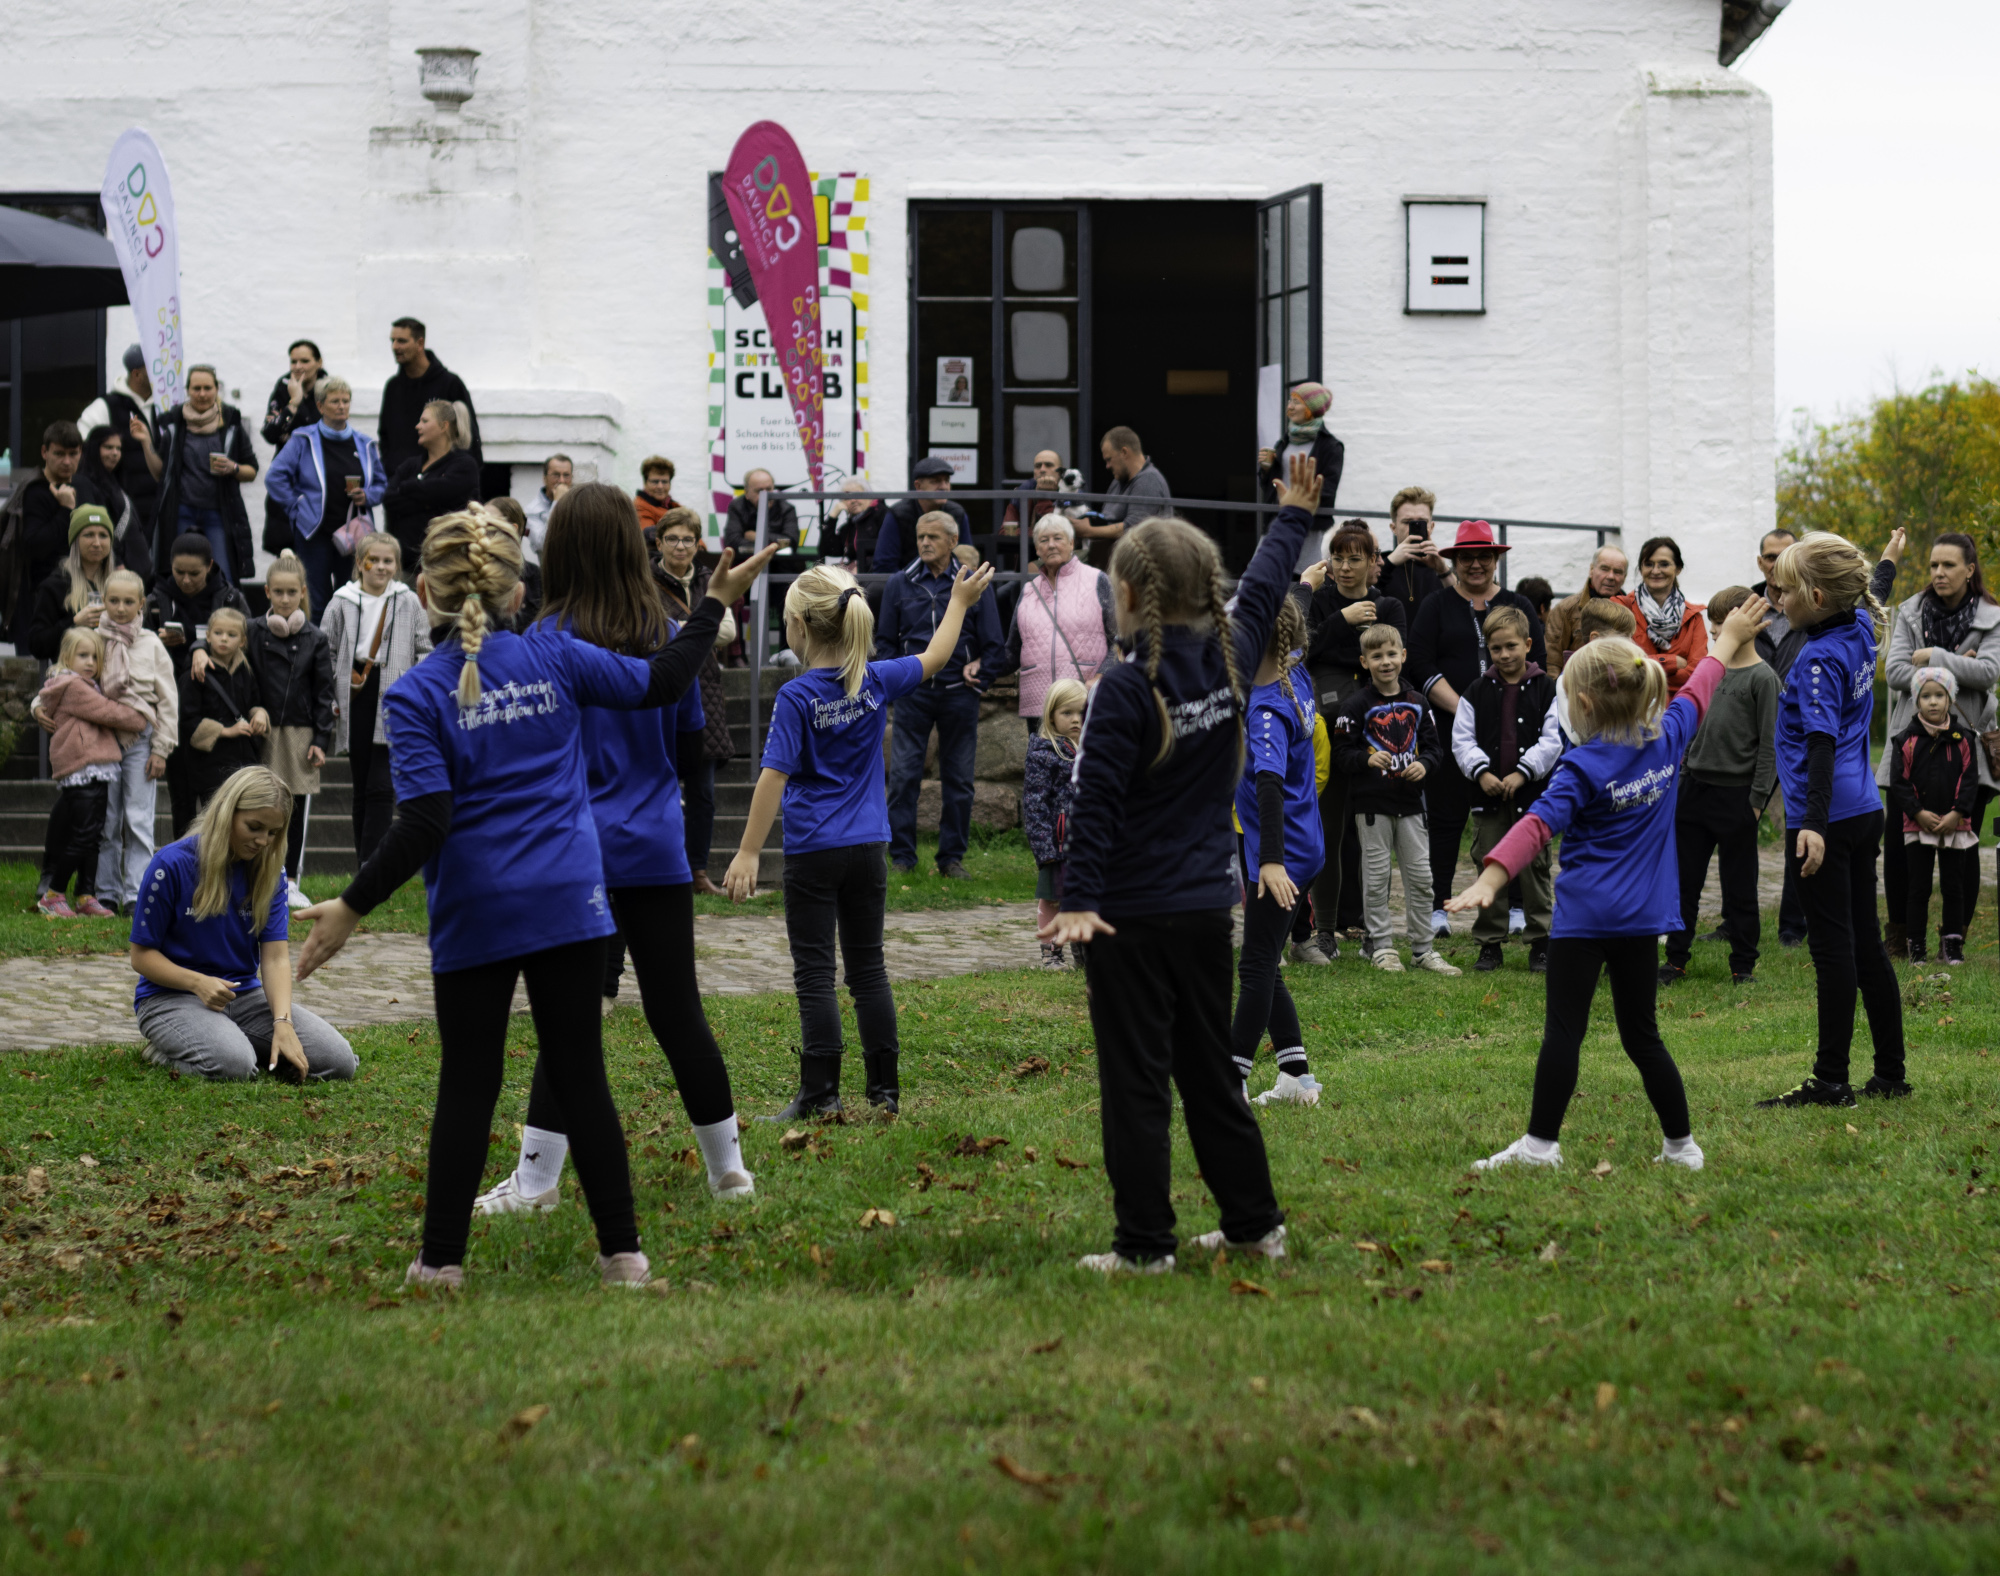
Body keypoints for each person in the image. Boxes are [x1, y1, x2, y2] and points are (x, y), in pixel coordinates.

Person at [295, 508, 775, 1288]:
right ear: (517, 589)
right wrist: (711, 604)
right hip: (568, 904)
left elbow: (424, 819)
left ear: (425, 592)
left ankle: (441, 1264)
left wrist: (351, 905)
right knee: (582, 1071)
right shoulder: (557, 656)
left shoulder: (416, 695)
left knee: (469, 1084)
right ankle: (623, 1255)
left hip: (477, 911)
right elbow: (663, 679)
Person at [1040, 456, 1322, 1275]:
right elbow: (1267, 582)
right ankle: (1253, 1227)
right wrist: (1296, 511)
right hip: (1205, 909)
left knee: (1136, 1086)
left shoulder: (1124, 689)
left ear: (1125, 596)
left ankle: (1145, 1248)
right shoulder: (1233, 653)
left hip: (1128, 917)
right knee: (1207, 1076)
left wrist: (1079, 898)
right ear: (1210, 590)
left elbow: (1091, 804)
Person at [474, 482, 753, 1213]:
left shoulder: (543, 642)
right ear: (633, 547)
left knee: (570, 1020)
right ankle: (729, 1169)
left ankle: (536, 1181)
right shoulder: (669, 630)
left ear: (558, 548)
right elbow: (694, 749)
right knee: (677, 1008)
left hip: (575, 853)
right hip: (656, 844)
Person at [1446, 602, 1772, 1173]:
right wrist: (1731, 638)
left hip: (1586, 922)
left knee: (1565, 1033)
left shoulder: (1581, 767)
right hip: (1643, 922)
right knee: (1643, 1035)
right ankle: (1682, 1147)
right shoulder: (1668, 739)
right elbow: (1700, 686)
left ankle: (1541, 1147)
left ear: (1585, 705)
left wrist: (1492, 876)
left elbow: (1536, 824)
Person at [724, 558, 993, 1117]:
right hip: (870, 848)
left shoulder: (797, 698)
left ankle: (821, 1096)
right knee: (869, 969)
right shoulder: (874, 679)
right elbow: (938, 656)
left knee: (816, 973)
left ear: (798, 626)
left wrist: (749, 851)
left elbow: (772, 777)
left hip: (813, 854)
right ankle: (885, 1092)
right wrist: (960, 604)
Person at [1755, 533, 1908, 1108]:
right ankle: (1890, 1074)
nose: (1776, 594)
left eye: (1785, 588)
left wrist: (1811, 825)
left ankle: (1830, 1080)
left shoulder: (1817, 656)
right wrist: (1888, 559)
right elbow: (1874, 592)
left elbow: (1820, 744)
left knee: (1834, 949)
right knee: (1865, 942)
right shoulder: (1859, 625)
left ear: (1817, 596)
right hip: (1864, 808)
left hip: (1827, 816)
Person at [128, 766, 355, 1082]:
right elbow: (141, 956)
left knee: (339, 1062)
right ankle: (166, 1051)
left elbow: (274, 958)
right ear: (227, 813)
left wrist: (283, 1023)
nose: (263, 840)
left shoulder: (270, 874)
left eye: (273, 832)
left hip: (244, 998)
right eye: (254, 827)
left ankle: (236, 1043)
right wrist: (197, 983)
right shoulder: (170, 865)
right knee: (234, 1067)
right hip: (170, 998)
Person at [1407, 519, 1547, 937]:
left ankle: (1519, 906)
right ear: (1455, 560)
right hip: (1453, 729)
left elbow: (1537, 660)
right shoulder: (1436, 605)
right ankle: (1437, 908)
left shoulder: (1518, 604)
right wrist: (1467, 705)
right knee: (1447, 820)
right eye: (1466, 558)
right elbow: (1420, 663)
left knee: (1515, 817)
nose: (1475, 565)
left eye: (1483, 557)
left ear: (1495, 560)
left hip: (1516, 730)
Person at [1878, 530, 1996, 959]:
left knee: (1961, 845)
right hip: (1911, 744)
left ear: (1970, 570)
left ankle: (1954, 938)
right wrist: (1957, 667)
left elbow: (1988, 673)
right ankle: (1900, 936)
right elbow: (1894, 672)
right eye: (1933, 565)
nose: (1939, 573)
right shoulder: (1909, 610)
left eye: (1949, 565)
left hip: (1967, 749)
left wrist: (1932, 658)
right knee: (1899, 842)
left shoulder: (1991, 616)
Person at [193, 551, 335, 905]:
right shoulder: (253, 629)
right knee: (254, 803)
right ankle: (248, 873)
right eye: (278, 592)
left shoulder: (315, 638)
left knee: (294, 809)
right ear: (267, 591)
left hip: (300, 733)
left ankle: (287, 881)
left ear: (303, 592)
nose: (285, 599)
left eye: (292, 593)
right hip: (260, 731)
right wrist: (197, 647)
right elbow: (220, 633)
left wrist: (321, 738)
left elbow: (324, 692)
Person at [1231, 594, 1328, 1106]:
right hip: (1300, 845)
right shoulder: (1293, 672)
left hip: (1281, 855)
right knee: (1265, 959)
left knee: (1255, 966)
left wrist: (1270, 861)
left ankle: (1231, 1078)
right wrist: (1303, 587)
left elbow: (1268, 786)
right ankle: (1296, 1078)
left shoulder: (1267, 710)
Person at [1297, 522, 1410, 963]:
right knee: (1326, 829)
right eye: (1338, 558)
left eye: (1355, 558)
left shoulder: (1389, 605)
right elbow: (1298, 649)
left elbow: (1398, 660)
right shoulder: (1322, 602)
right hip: (1328, 728)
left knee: (1376, 834)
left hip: (1380, 727)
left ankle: (1370, 928)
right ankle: (1323, 929)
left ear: (1372, 561)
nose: (1345, 567)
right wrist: (1341, 622)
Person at [877, 511, 1006, 878]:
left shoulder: (973, 585)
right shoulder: (899, 584)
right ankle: (902, 858)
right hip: (913, 695)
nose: (924, 543)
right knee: (902, 778)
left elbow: (995, 646)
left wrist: (981, 671)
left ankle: (951, 859)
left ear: (952, 541)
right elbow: (885, 643)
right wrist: (898, 677)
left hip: (958, 694)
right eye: (920, 537)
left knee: (960, 781)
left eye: (933, 537)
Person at [1660, 586, 1778, 987]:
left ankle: (1743, 964)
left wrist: (1757, 801)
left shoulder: (1764, 679)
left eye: (1721, 626)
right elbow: (1694, 727)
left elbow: (1770, 746)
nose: (1714, 634)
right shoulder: (1708, 672)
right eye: (1712, 627)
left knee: (1740, 888)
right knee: (1684, 884)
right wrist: (1682, 774)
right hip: (1694, 792)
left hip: (1737, 799)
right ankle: (1675, 960)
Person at [1334, 623, 1456, 975]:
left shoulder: (1418, 702)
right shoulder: (1354, 706)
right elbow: (1342, 753)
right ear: (1364, 661)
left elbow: (1435, 748)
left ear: (1403, 656)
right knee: (1376, 879)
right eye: (1376, 656)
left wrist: (1424, 765)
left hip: (1412, 807)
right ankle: (1382, 946)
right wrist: (1365, 759)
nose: (1385, 662)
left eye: (1391, 654)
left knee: (1421, 876)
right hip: (1372, 807)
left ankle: (1423, 948)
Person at [1452, 605, 1560, 974]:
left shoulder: (1548, 689)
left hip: (1532, 799)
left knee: (1534, 870)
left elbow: (1553, 740)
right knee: (1489, 866)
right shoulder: (1475, 691)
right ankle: (1489, 944)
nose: (1504, 655)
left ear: (1528, 644)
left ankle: (1541, 942)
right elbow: (1462, 740)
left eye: (1511, 646)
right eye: (1496, 649)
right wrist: (1481, 772)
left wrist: (1523, 773)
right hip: (1489, 798)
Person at [320, 533, 431, 864]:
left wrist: (415, 684)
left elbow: (425, 647)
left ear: (397, 566)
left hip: (396, 693)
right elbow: (325, 649)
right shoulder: (341, 600)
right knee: (362, 784)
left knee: (382, 785)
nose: (381, 567)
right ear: (359, 563)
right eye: (374, 560)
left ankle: (374, 866)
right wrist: (332, 692)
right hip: (355, 693)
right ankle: (364, 865)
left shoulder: (407, 600)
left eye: (388, 561)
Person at [31, 627, 147, 918]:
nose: (90, 662)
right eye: (83, 655)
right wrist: (141, 717)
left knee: (94, 834)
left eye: (95, 657)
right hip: (81, 766)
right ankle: (54, 894)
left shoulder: (85, 684)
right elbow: (108, 711)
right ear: (67, 657)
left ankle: (86, 895)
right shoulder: (72, 686)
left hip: (97, 767)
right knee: (83, 834)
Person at [144, 535, 252, 836]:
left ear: (211, 566)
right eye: (179, 572)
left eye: (195, 573)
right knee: (181, 799)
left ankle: (216, 865)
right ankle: (183, 866)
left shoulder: (231, 599)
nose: (186, 580)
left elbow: (246, 643)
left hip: (220, 707)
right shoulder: (155, 600)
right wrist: (160, 640)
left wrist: (195, 643)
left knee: (219, 801)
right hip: (174, 708)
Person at [653, 507, 736, 892]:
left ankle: (698, 871)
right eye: (673, 538)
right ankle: (664, 869)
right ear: (659, 543)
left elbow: (729, 630)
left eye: (688, 539)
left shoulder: (711, 578)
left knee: (702, 793)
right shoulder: (644, 582)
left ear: (698, 542)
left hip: (705, 690)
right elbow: (646, 630)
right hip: (660, 689)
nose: (681, 546)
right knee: (659, 787)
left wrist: (679, 629)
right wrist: (699, 627)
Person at [264, 376, 389, 622]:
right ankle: (319, 656)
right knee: (317, 601)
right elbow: (274, 477)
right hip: (314, 531)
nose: (342, 406)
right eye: (335, 401)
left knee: (351, 597)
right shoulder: (304, 439)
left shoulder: (364, 443)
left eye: (346, 401)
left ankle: (347, 653)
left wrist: (368, 495)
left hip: (352, 533)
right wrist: (296, 507)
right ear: (320, 406)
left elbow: (381, 484)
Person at [93, 568, 177, 917]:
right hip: (100, 738)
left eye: (129, 602)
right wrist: (40, 706)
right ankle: (106, 892)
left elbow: (168, 699)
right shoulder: (93, 640)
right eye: (114, 601)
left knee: (138, 818)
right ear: (103, 601)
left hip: (141, 740)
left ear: (142, 604)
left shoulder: (151, 645)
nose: (121, 608)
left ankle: (136, 894)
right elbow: (65, 678)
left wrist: (162, 747)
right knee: (107, 819)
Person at [987, 514, 1117, 732]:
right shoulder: (1029, 590)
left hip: (1082, 701)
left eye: (1058, 538)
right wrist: (980, 666)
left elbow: (1119, 640)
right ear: (1037, 549)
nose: (1051, 545)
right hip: (1039, 704)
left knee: (1086, 764)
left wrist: (1100, 677)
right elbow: (1012, 652)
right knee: (1042, 764)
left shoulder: (1097, 580)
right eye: (1044, 540)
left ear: (1072, 543)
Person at [132, 366, 257, 586]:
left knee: (223, 575)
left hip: (219, 512)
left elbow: (252, 471)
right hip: (182, 511)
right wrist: (145, 441)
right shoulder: (175, 423)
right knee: (180, 574)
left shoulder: (231, 422)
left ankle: (225, 619)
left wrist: (233, 468)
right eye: (196, 388)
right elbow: (160, 473)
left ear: (217, 389)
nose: (202, 393)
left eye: (207, 388)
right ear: (187, 390)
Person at [1888, 668, 1979, 967]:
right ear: (1917, 701)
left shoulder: (1964, 739)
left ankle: (1952, 945)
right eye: (1926, 696)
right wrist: (1917, 811)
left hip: (1956, 826)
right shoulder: (1905, 741)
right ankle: (1916, 948)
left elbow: (1969, 780)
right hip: (1918, 825)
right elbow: (1899, 783)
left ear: (1950, 699)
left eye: (1939, 695)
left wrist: (1957, 813)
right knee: (1919, 888)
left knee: (1953, 886)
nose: (1933, 702)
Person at [2, 421, 83, 651]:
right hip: (37, 600)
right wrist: (65, 511)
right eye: (59, 454)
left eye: (72, 454)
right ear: (44, 452)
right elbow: (34, 544)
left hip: (72, 593)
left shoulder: (82, 486)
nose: (67, 461)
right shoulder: (35, 491)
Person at [1024, 678, 1085, 969]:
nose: (1076, 719)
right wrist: (1044, 848)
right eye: (1067, 713)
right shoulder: (1044, 753)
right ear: (1051, 715)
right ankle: (1051, 952)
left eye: (1082, 713)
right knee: (1053, 899)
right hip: (1057, 844)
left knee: (1085, 897)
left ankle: (1084, 953)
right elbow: (1034, 804)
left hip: (1087, 843)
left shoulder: (1092, 750)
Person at [76, 345, 162, 544]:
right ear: (137, 374)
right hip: (122, 512)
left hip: (160, 513)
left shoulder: (166, 407)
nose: (161, 374)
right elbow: (79, 450)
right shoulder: (104, 407)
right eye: (155, 368)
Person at [181, 607, 266, 808]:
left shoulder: (245, 670)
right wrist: (226, 731)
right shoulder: (197, 672)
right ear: (208, 636)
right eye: (218, 633)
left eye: (231, 634)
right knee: (214, 816)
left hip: (242, 760)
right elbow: (187, 719)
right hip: (209, 763)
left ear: (242, 641)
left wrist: (260, 714)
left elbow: (254, 701)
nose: (224, 639)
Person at [378, 318, 481, 476]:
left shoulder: (450, 384)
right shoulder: (393, 387)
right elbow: (385, 436)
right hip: (401, 487)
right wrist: (392, 471)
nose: (395, 347)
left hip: (441, 488)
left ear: (420, 343)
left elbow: (468, 437)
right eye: (393, 341)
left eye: (402, 341)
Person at [381, 399, 480, 564]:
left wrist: (408, 487)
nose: (417, 426)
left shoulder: (464, 465)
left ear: (443, 426)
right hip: (406, 564)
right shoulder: (410, 466)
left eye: (424, 421)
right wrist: (429, 502)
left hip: (447, 563)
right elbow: (389, 499)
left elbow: (447, 492)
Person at [1613, 537, 1707, 695]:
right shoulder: (1621, 608)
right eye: (1649, 564)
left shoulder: (1693, 617)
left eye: (1664, 564)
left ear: (1678, 569)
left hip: (1677, 711)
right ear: (1641, 569)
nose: (1655, 571)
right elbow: (1621, 668)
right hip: (1632, 709)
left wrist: (1643, 669)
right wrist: (1673, 662)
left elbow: (1697, 676)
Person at [259, 340, 325, 555]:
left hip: (318, 481)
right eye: (293, 361)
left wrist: (291, 425)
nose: (297, 366)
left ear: (319, 363)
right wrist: (294, 402)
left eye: (304, 361)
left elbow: (318, 432)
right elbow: (270, 433)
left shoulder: (329, 388)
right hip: (288, 480)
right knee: (285, 550)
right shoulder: (283, 386)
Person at [27, 503, 117, 661]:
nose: (97, 543)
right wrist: (74, 622)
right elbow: (37, 644)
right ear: (75, 541)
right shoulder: (55, 585)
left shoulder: (120, 585)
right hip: (72, 678)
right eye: (88, 535)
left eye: (103, 535)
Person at [1079, 427, 1170, 568]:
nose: (1107, 466)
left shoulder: (1148, 480)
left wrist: (1088, 531)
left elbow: (1134, 528)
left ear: (1124, 452)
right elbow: (1106, 518)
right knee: (1040, 567)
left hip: (1132, 565)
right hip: (1107, 558)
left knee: (1046, 570)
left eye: (1109, 459)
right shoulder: (1118, 480)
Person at [870, 457, 969, 572]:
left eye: (946, 481)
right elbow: (885, 564)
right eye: (936, 481)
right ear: (918, 486)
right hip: (906, 582)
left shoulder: (957, 513)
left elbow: (965, 558)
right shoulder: (898, 514)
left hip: (949, 584)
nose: (944, 487)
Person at [74, 426, 148, 579]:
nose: (115, 453)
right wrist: (117, 564)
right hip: (117, 572)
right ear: (94, 449)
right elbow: (98, 527)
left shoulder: (114, 480)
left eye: (118, 449)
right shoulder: (85, 483)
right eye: (108, 447)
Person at [1255, 383, 1344, 509]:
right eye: (1290, 401)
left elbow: (1327, 493)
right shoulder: (1284, 442)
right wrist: (1267, 470)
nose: (1290, 407)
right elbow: (1269, 488)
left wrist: (1295, 505)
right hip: (1279, 519)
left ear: (1311, 408)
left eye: (1296, 402)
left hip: (1311, 524)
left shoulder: (1331, 446)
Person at [1544, 545, 1630, 673]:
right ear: (1591, 570)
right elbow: (1552, 662)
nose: (1611, 576)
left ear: (1625, 577)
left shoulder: (1633, 611)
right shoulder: (1566, 610)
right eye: (1604, 569)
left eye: (1617, 571)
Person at [1375, 487, 1453, 622]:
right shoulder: (1379, 563)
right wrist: (1390, 563)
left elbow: (1462, 603)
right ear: (1393, 528)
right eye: (1407, 522)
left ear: (1431, 527)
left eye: (1421, 522)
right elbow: (1362, 596)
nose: (1413, 529)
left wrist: (1444, 571)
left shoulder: (1440, 566)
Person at [1001, 450, 1081, 553]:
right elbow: (1005, 531)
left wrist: (1043, 498)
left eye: (1048, 465)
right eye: (1038, 466)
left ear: (1061, 473)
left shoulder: (1073, 495)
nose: (1042, 470)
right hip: (1028, 556)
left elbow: (1059, 531)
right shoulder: (1022, 493)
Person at [723, 468, 799, 557]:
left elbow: (791, 541)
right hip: (746, 563)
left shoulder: (786, 509)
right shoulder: (737, 507)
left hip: (780, 564)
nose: (765, 495)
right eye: (759, 491)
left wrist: (757, 537)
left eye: (768, 489)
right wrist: (774, 543)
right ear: (747, 492)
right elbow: (732, 541)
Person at [818, 479, 887, 565]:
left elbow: (889, 551)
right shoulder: (850, 526)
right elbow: (828, 549)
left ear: (869, 495)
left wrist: (861, 566)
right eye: (847, 498)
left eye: (857, 494)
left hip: (878, 575)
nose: (853, 500)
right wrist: (832, 517)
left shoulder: (883, 516)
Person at [520, 454, 574, 564]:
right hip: (552, 575)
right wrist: (558, 502)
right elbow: (543, 543)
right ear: (545, 478)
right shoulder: (532, 511)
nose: (562, 480)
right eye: (556, 475)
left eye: (566, 475)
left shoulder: (578, 504)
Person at [631, 455, 676, 537]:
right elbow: (649, 537)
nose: (660, 486)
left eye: (665, 482)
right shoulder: (640, 507)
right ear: (645, 483)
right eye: (655, 482)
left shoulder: (673, 506)